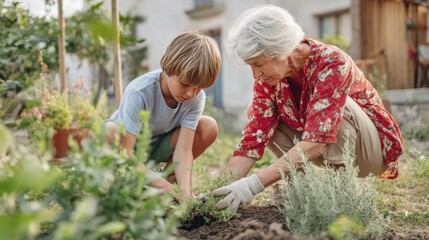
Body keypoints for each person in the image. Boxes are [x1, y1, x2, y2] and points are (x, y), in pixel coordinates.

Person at [213, 5, 403, 213]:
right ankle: (303, 188)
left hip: (369, 153)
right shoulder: (268, 81)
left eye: (258, 64)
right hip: (320, 148)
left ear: (280, 49)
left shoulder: (332, 62)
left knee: (337, 105)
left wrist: (252, 185)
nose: (255, 74)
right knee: (257, 114)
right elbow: (252, 140)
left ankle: (340, 191)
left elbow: (317, 141)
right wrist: (220, 191)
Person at [106, 31, 221, 200]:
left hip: (158, 146)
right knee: (108, 130)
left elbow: (183, 150)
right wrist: (165, 188)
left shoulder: (196, 98)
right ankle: (120, 184)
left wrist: (185, 191)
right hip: (126, 147)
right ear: (168, 68)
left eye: (199, 87)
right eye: (185, 84)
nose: (191, 93)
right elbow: (126, 153)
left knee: (208, 126)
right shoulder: (140, 91)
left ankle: (165, 180)